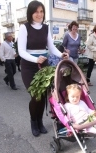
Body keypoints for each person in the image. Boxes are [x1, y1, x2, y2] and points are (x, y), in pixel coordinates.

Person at [17, 1, 69, 137]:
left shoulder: (46, 28)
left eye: (41, 11)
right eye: (36, 12)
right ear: (31, 13)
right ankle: (33, 122)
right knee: (36, 96)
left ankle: (40, 122)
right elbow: (21, 51)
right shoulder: (24, 28)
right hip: (29, 67)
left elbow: (51, 48)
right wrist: (35, 59)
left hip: (43, 65)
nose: (39, 14)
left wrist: (61, 54)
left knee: (43, 96)